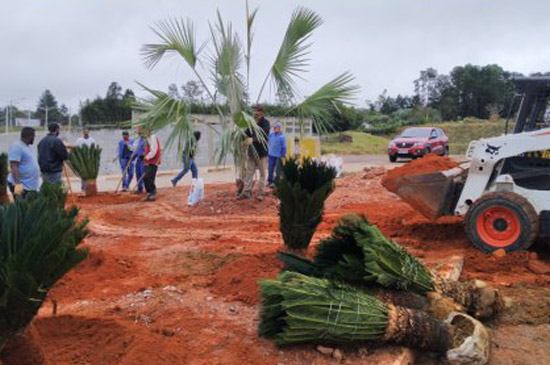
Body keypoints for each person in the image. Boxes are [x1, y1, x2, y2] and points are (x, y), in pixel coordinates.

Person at [238, 105, 270, 201]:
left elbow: (264, 135)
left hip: (262, 154)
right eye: (256, 111)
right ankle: (246, 192)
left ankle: (260, 193)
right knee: (249, 173)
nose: (257, 112)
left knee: (263, 174)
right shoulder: (251, 123)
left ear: (262, 112)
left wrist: (252, 140)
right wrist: (240, 136)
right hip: (251, 153)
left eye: (259, 111)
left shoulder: (266, 123)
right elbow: (246, 134)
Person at [7, 127, 40, 199]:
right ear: (29, 136)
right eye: (34, 136)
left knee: (29, 208)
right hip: (21, 186)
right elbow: (14, 166)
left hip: (29, 186)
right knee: (22, 208)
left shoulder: (26, 146)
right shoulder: (17, 146)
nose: (34, 138)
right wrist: (18, 183)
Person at [143, 127, 162, 201]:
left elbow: (154, 150)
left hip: (153, 160)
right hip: (150, 161)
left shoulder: (153, 137)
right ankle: (150, 192)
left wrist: (147, 157)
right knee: (147, 177)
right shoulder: (148, 137)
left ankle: (152, 193)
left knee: (148, 177)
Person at [267, 121, 286, 187]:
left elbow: (284, 147)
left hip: (278, 156)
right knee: (270, 168)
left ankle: (276, 182)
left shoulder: (282, 137)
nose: (275, 129)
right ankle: (270, 181)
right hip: (270, 155)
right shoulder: (271, 135)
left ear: (280, 128)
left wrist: (283, 154)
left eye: (276, 127)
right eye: (274, 127)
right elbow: (266, 138)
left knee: (278, 169)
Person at [133, 126, 146, 194]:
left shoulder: (145, 139)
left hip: (143, 159)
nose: (136, 131)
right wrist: (134, 156)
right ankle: (139, 188)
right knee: (138, 174)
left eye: (137, 129)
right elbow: (136, 150)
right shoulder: (139, 139)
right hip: (138, 158)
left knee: (142, 174)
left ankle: (146, 189)